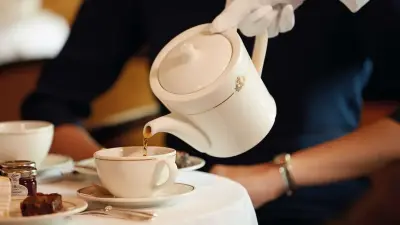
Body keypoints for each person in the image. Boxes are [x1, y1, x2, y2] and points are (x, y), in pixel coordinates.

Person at [20, 0, 400, 224]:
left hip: (319, 199)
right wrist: (118, 177)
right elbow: (52, 104)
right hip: (180, 204)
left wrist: (277, 176)